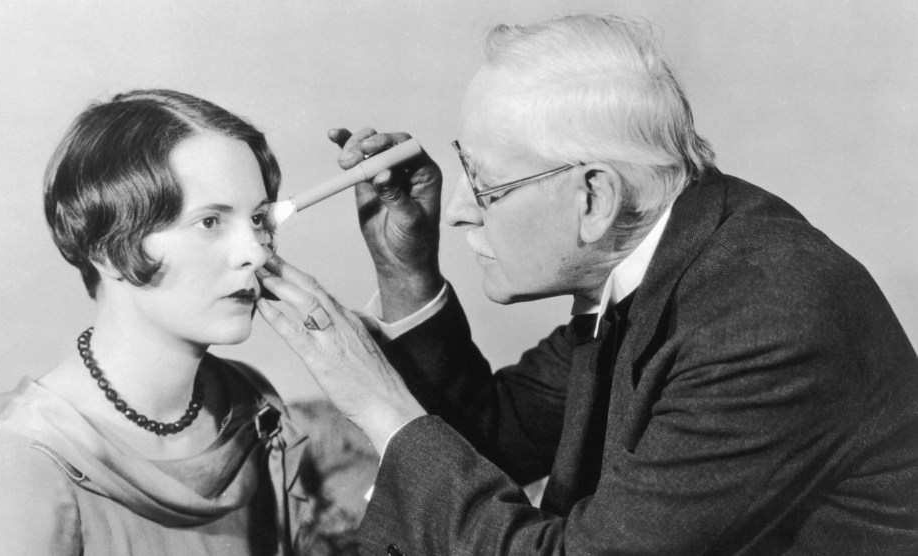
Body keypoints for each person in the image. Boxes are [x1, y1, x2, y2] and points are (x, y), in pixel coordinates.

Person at [255, 14, 918, 555]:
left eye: (483, 183)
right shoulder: (671, 257)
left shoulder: (765, 323)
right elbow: (493, 437)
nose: (457, 209)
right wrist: (407, 267)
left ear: (593, 195)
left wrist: (377, 404)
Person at [0, 89, 307, 555]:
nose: (255, 252)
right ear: (108, 248)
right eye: (210, 222)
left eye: (259, 219)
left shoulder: (252, 407)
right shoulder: (21, 461)